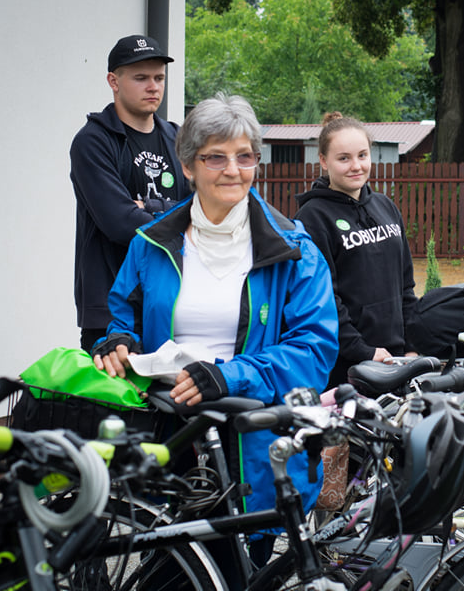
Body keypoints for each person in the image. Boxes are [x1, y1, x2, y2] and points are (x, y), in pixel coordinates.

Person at [92, 94, 339, 525]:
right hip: (168, 431)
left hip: (252, 437)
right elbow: (122, 314)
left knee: (239, 572)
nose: (232, 170)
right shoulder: (149, 243)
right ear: (187, 166)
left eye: (245, 157)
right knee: (169, 566)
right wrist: (117, 340)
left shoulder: (296, 252)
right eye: (216, 158)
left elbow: (314, 353)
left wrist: (227, 375)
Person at [70, 35, 188, 352]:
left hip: (170, 304)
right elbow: (121, 224)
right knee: (114, 403)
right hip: (110, 314)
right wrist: (177, 213)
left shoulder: (177, 138)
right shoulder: (93, 142)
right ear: (114, 81)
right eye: (141, 78)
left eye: (159, 78)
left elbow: (204, 210)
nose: (153, 87)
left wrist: (148, 206)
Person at [294, 113, 418, 388]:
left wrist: (413, 344)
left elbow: (405, 287)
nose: (356, 166)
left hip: (398, 360)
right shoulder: (312, 218)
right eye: (344, 158)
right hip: (348, 368)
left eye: (362, 155)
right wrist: (364, 352)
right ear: (324, 161)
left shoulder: (386, 207)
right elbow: (324, 300)